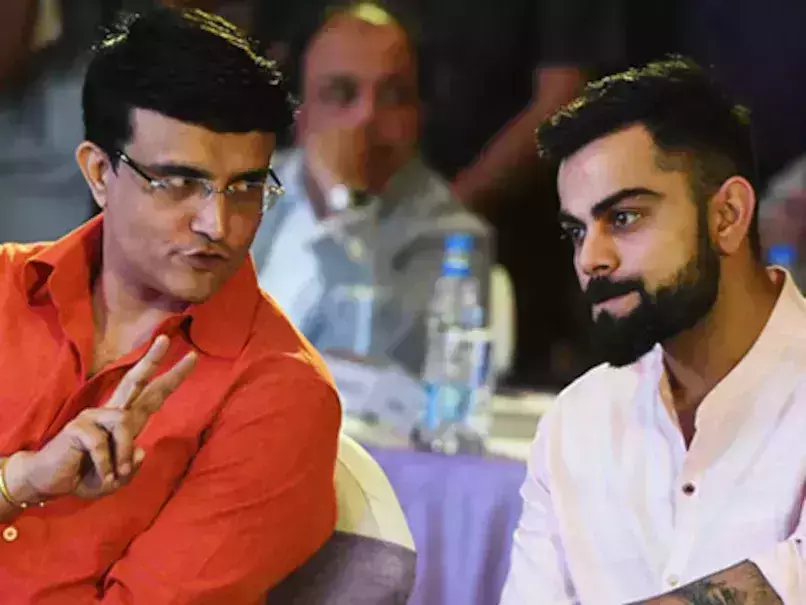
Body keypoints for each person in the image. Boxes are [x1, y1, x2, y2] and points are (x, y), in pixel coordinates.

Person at [0, 7, 340, 603]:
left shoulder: (280, 395)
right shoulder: (7, 285)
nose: (218, 224)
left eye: (246, 187)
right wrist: (18, 480)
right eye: (180, 183)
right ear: (98, 173)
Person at [501, 57, 805, 604]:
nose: (590, 259)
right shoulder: (579, 422)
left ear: (728, 215)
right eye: (577, 231)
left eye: (623, 218)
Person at [252, 1, 491, 377]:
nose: (366, 116)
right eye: (341, 93)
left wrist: (346, 206)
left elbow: (373, 373)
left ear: (419, 114)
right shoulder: (243, 189)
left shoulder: (453, 239)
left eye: (394, 96)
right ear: (299, 112)